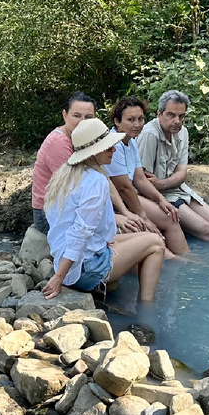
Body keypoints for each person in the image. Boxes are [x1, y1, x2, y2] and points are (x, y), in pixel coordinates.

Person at [41, 118, 165, 302]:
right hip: (85, 269)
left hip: (70, 259)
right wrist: (59, 278)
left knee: (143, 234)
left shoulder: (66, 174)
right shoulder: (95, 181)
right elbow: (80, 232)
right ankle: (146, 307)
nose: (114, 150)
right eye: (109, 147)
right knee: (156, 243)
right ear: (93, 153)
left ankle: (130, 292)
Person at [136, 89, 209, 246]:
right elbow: (144, 181)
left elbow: (181, 173)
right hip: (160, 197)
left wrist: (162, 183)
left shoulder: (183, 132)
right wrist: (161, 186)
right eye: (171, 115)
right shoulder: (150, 134)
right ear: (160, 114)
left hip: (178, 189)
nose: (177, 121)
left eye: (181, 116)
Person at [31, 91, 146, 236]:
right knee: (127, 232)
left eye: (88, 117)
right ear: (65, 115)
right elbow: (73, 191)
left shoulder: (88, 139)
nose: (82, 121)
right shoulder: (59, 143)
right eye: (77, 116)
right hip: (49, 212)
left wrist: (124, 211)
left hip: (79, 207)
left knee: (134, 225)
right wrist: (115, 218)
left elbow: (103, 176)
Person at [107, 96, 189, 256]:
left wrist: (161, 200)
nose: (137, 124)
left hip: (128, 198)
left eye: (140, 119)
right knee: (153, 236)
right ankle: (177, 263)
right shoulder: (113, 146)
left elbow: (140, 179)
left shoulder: (130, 141)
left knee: (171, 217)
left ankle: (187, 260)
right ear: (117, 121)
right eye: (130, 119)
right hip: (115, 202)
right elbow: (124, 187)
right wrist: (144, 217)